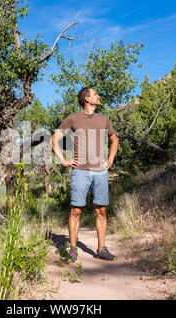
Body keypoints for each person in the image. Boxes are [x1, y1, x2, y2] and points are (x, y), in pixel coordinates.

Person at [50, 87, 119, 262]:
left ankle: (101, 249)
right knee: (76, 210)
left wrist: (110, 160)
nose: (98, 96)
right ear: (87, 99)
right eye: (95, 94)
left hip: (100, 171)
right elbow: (54, 139)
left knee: (101, 210)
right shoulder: (73, 118)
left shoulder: (104, 119)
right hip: (80, 171)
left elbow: (114, 139)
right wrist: (64, 160)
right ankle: (73, 250)